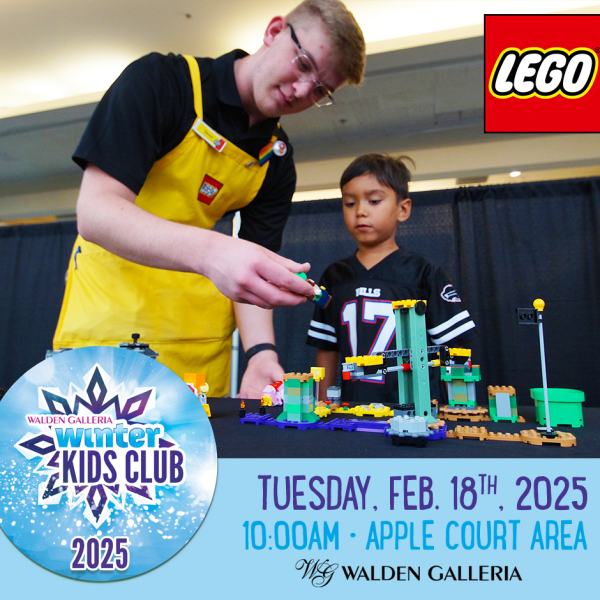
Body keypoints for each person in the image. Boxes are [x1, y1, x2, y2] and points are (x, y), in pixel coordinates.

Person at [53, 0, 366, 397]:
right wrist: (215, 252)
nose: (302, 90)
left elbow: (256, 269)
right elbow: (96, 212)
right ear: (273, 32)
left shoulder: (276, 157)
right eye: (303, 64)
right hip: (108, 332)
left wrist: (261, 354)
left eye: (321, 90)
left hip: (199, 350)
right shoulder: (162, 82)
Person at [306, 153, 476, 404]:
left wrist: (458, 408)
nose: (360, 211)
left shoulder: (424, 273)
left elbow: (456, 348)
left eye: (374, 201)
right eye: (350, 203)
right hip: (353, 412)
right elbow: (327, 348)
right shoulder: (333, 277)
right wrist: (322, 406)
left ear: (403, 209)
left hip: (418, 411)